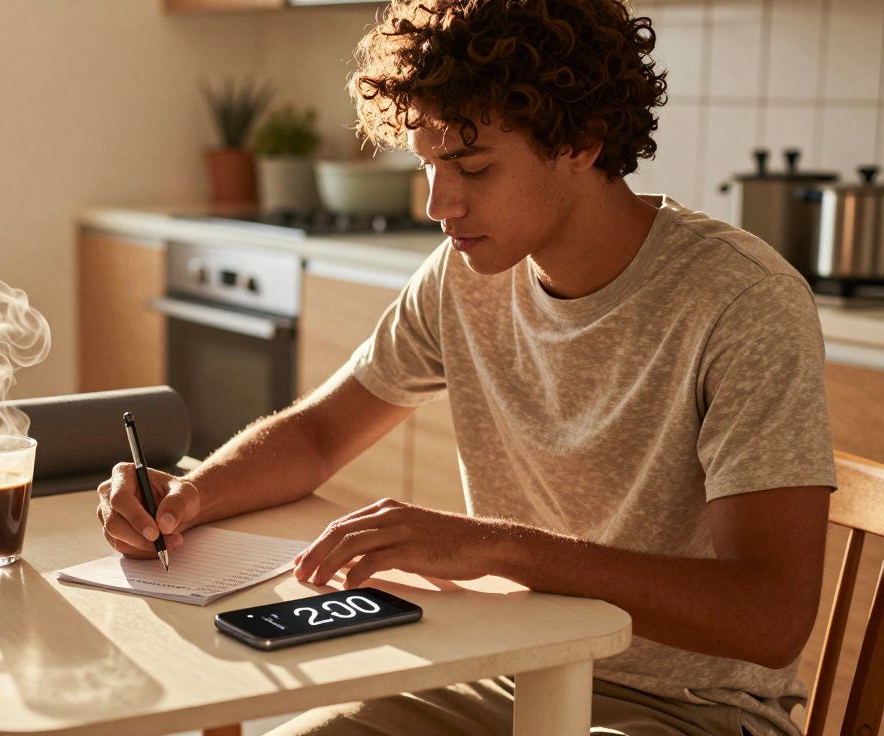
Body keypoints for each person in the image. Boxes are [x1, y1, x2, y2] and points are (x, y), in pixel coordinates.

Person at [94, 0, 837, 733]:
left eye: (472, 167)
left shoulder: (741, 301)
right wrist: (190, 497)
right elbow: (322, 433)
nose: (438, 204)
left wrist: (496, 546)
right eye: (427, 165)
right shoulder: (463, 277)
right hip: (497, 674)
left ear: (581, 140)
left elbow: (769, 617)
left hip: (684, 713)